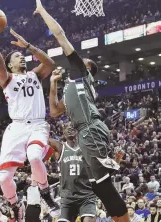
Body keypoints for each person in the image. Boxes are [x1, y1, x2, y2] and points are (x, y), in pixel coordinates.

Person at [34, 0, 130, 221]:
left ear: (86, 68)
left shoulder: (81, 74)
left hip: (90, 130)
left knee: (102, 183)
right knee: (99, 185)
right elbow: (56, 111)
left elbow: (60, 35)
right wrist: (54, 84)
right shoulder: (73, 88)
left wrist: (43, 12)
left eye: (81, 61)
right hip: (85, 131)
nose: (75, 60)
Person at [0, 13, 60, 219]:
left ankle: (45, 193)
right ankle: (16, 205)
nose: (20, 57)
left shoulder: (35, 75)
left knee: (34, 156)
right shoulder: (7, 78)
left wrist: (28, 47)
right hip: (16, 128)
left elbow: (49, 63)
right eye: (16, 56)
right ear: (10, 65)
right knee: (4, 178)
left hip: (37, 125)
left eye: (20, 55)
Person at [49, 125, 96, 222]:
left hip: (86, 196)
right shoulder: (60, 147)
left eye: (72, 126)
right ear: (63, 133)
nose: (70, 128)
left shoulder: (86, 147)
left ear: (77, 130)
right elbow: (44, 139)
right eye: (66, 127)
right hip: (67, 197)